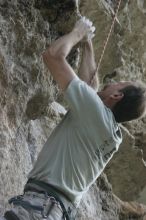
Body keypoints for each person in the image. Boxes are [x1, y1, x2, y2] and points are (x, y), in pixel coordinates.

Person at [1, 17, 146, 220]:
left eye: (119, 83)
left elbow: (52, 56)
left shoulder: (97, 115)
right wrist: (87, 44)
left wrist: (78, 32)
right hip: (50, 210)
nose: (112, 82)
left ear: (117, 96)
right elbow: (90, 86)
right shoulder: (110, 132)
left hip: (39, 209)